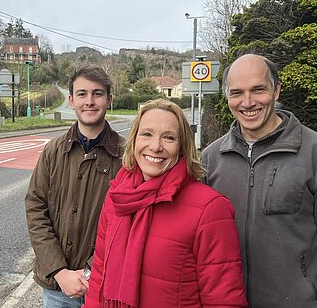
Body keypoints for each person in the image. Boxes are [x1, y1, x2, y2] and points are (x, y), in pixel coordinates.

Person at [201, 54, 317, 307]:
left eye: (258, 90)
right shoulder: (211, 159)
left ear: (277, 90)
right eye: (237, 93)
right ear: (227, 98)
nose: (247, 102)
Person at [84, 99, 247, 308]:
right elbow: (100, 273)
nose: (155, 146)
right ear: (134, 140)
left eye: (168, 137)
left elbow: (223, 299)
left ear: (182, 148)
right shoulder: (117, 195)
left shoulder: (210, 208)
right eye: (147, 134)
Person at [25, 64, 125, 308]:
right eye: (82, 94)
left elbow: (127, 224)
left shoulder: (127, 155)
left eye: (97, 93)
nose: (89, 101)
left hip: (106, 286)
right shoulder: (53, 151)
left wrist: (90, 273)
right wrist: (59, 271)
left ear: (109, 99)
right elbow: (36, 210)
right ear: (71, 100)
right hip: (58, 288)